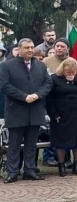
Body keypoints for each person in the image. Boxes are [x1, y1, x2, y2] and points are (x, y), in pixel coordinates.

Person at [0, 38, 53, 183]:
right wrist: (24, 97)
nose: (30, 50)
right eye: (27, 48)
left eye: (32, 47)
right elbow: (4, 85)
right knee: (14, 144)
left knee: (31, 143)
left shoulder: (40, 66)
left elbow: (48, 83)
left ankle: (30, 170)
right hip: (16, 110)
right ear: (19, 49)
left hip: (35, 109)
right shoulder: (7, 66)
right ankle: (12, 171)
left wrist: (37, 95)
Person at [45, 58, 77, 176]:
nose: (70, 75)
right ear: (62, 70)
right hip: (61, 115)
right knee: (61, 141)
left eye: (72, 72)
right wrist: (54, 115)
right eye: (67, 72)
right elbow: (49, 99)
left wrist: (76, 79)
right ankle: (61, 166)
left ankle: (76, 165)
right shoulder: (55, 79)